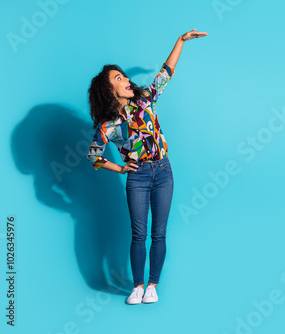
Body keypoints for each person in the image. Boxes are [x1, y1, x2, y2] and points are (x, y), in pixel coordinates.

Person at [86, 28, 208, 304]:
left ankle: (153, 285)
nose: (127, 80)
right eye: (119, 78)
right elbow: (94, 155)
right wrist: (120, 169)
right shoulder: (109, 126)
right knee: (138, 234)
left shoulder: (145, 100)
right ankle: (137, 286)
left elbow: (166, 72)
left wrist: (180, 42)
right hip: (137, 177)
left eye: (125, 75)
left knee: (159, 233)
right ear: (109, 90)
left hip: (163, 171)